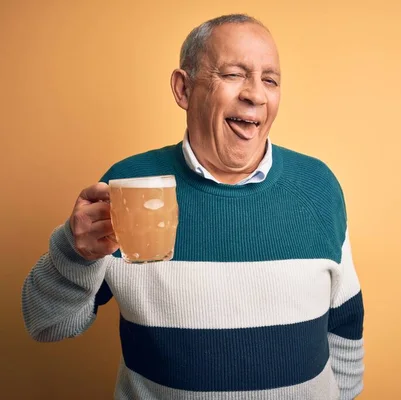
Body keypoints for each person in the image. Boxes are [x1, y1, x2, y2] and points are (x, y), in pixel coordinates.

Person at [21, 13, 365, 400]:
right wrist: (74, 250)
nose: (255, 94)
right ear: (184, 89)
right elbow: (46, 324)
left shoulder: (318, 186)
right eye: (234, 74)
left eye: (269, 79)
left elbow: (346, 324)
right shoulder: (127, 185)